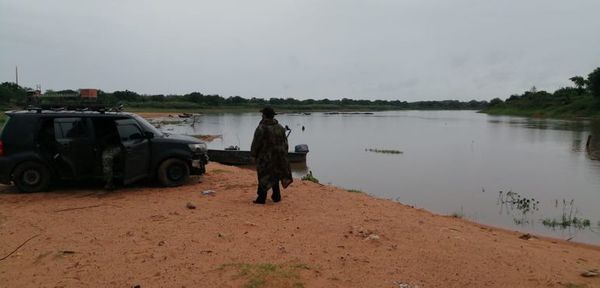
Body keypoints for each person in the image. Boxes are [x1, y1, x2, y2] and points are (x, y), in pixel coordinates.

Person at [250, 107, 293, 204]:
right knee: (276, 176)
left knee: (263, 176)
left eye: (262, 114)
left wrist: (253, 155)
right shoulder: (280, 127)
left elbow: (256, 143)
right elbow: (285, 143)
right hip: (278, 157)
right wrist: (284, 155)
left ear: (265, 115)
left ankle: (261, 198)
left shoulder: (261, 128)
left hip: (265, 158)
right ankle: (276, 196)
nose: (261, 116)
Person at [101, 125, 122, 191]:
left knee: (107, 160)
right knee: (107, 159)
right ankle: (109, 183)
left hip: (115, 147)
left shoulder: (114, 132)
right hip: (109, 148)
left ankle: (109, 182)